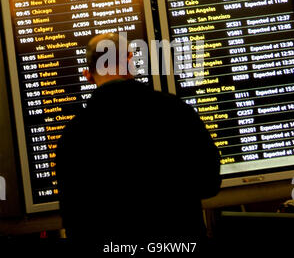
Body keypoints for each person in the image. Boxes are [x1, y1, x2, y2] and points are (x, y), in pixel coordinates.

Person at [56, 33, 221, 247]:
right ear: (130, 61)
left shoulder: (72, 137)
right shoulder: (177, 112)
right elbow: (209, 184)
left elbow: (73, 220)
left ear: (87, 75)